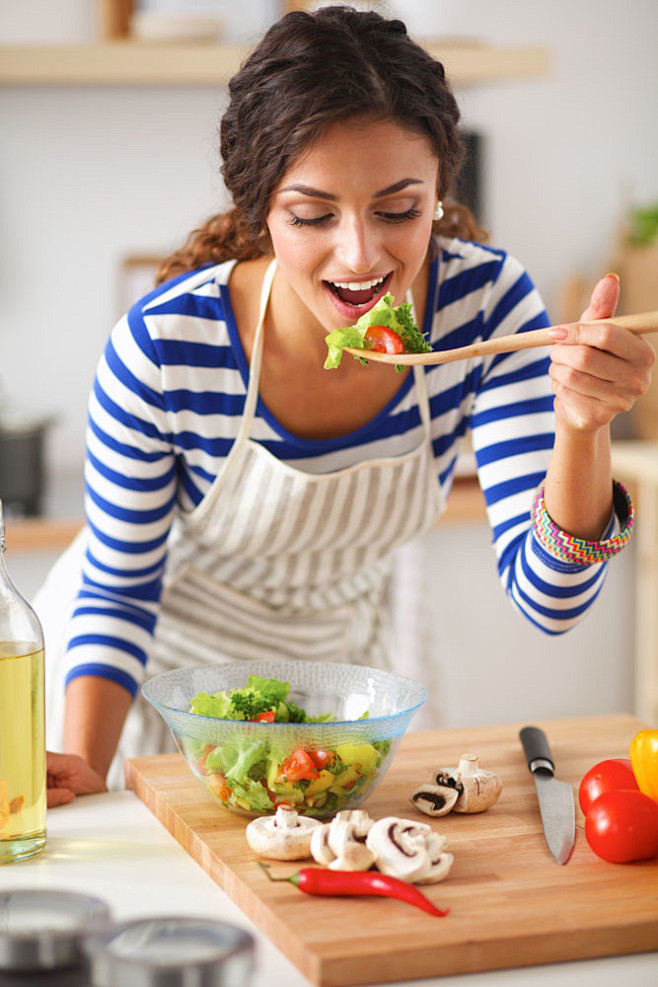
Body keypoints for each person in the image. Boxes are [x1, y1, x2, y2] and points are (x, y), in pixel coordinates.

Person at [39, 4, 653, 807]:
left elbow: (551, 600)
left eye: (399, 210)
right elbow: (120, 591)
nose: (361, 256)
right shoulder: (163, 347)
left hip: (332, 695)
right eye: (312, 215)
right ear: (261, 207)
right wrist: (86, 764)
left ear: (439, 189)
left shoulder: (486, 307)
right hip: (157, 693)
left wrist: (581, 425)